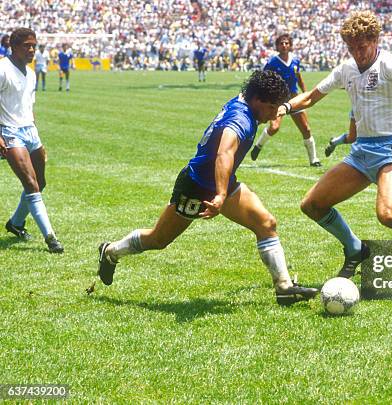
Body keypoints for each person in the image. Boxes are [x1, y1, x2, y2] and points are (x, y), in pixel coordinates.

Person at [97, 70, 318, 306]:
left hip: (222, 181)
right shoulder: (240, 119)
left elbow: (282, 105)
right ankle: (110, 251)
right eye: (272, 108)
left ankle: (284, 288)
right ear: (258, 100)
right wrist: (221, 194)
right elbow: (224, 152)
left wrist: (285, 106)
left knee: (266, 223)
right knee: (158, 239)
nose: (275, 116)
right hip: (197, 185)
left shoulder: (247, 99)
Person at [279, 11, 392, 279]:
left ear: (375, 39)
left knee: (387, 214)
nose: (357, 53)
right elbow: (310, 97)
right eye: (351, 48)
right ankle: (355, 249)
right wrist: (284, 107)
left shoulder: (390, 64)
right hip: (361, 152)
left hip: (390, 149)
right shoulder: (346, 69)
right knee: (311, 205)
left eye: (362, 47)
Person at [0, 28, 64, 253]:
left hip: (30, 131)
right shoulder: (2, 69)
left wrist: (35, 133)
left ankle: (15, 224)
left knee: (41, 183)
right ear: (13, 47)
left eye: (34, 45)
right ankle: (51, 238)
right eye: (27, 45)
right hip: (10, 131)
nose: (31, 49)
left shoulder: (32, 73)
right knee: (31, 185)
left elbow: (29, 106)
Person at [250, 34, 321, 167]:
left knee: (306, 128)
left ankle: (314, 159)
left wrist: (305, 92)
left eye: (287, 43)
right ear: (277, 46)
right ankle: (258, 146)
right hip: (278, 99)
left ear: (290, 45)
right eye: (281, 43)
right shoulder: (272, 62)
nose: (284, 45)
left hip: (294, 99)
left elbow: (298, 76)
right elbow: (264, 78)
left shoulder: (295, 60)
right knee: (274, 127)